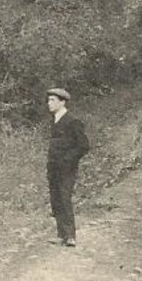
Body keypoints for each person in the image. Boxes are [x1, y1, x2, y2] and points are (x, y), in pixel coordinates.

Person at [45, 87, 90, 246]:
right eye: (49, 100)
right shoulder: (54, 120)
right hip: (53, 167)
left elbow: (83, 146)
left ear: (62, 102)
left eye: (53, 100)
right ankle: (61, 234)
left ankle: (70, 236)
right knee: (55, 198)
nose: (49, 103)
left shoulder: (72, 121)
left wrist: (68, 160)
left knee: (64, 198)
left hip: (67, 168)